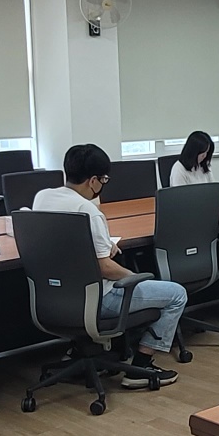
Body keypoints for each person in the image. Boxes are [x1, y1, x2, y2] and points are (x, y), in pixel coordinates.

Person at [32, 144, 185, 387]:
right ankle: (140, 368)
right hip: (96, 300)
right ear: (93, 181)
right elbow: (104, 268)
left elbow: (61, 244)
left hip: (54, 299)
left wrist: (102, 245)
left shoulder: (42, 197)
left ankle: (80, 353)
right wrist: (136, 277)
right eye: (103, 180)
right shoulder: (87, 211)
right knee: (176, 294)